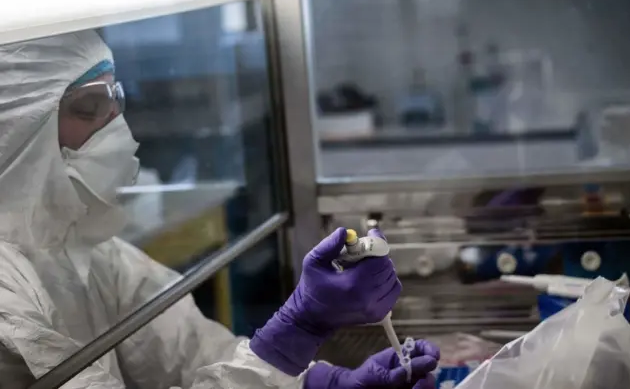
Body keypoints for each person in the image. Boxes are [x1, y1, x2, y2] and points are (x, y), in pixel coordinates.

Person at [0, 30, 439, 388]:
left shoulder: (85, 247)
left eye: (117, 101)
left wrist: (319, 383)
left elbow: (195, 355)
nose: (116, 127)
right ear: (18, 130)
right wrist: (295, 333)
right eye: (90, 107)